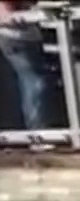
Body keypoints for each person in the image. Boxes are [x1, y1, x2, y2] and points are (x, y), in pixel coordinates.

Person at [0, 0, 49, 131]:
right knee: (34, 83)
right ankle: (37, 133)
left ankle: (31, 132)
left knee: (26, 83)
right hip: (16, 36)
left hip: (24, 36)